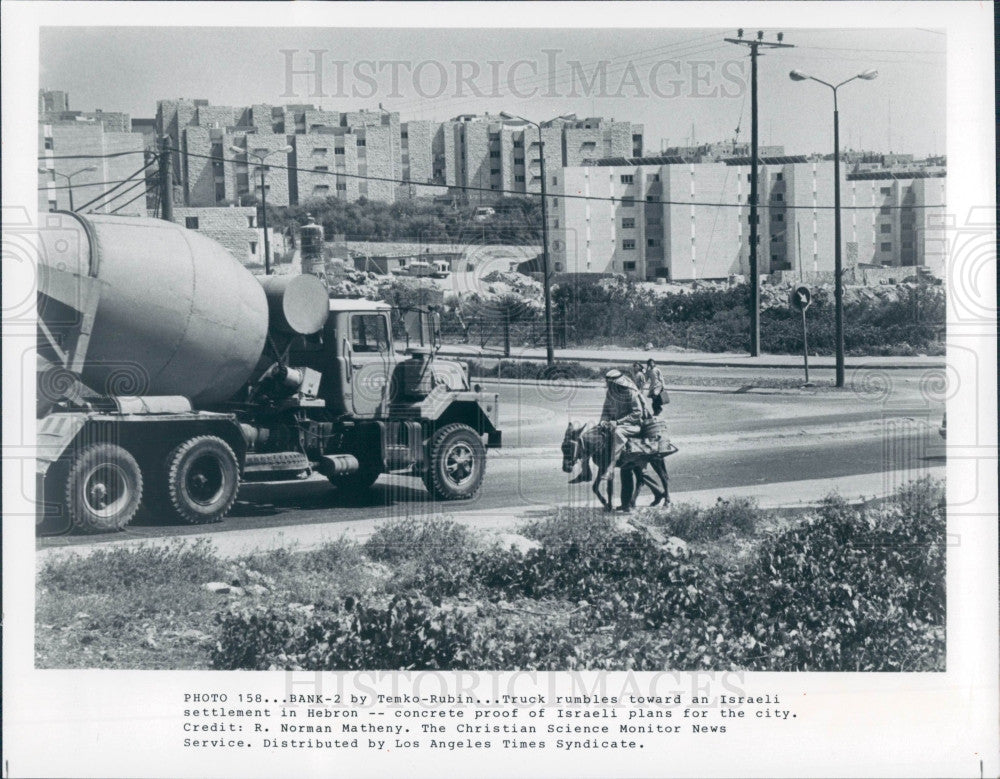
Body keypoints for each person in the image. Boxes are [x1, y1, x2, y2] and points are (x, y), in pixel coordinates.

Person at [570, 369, 649, 484]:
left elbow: (637, 413)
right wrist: (603, 422)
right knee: (587, 436)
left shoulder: (630, 392)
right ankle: (585, 472)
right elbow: (606, 411)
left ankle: (611, 467)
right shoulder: (610, 393)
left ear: (618, 383)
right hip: (614, 424)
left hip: (632, 425)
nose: (609, 386)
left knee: (617, 433)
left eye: (611, 383)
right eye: (608, 383)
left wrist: (618, 422)